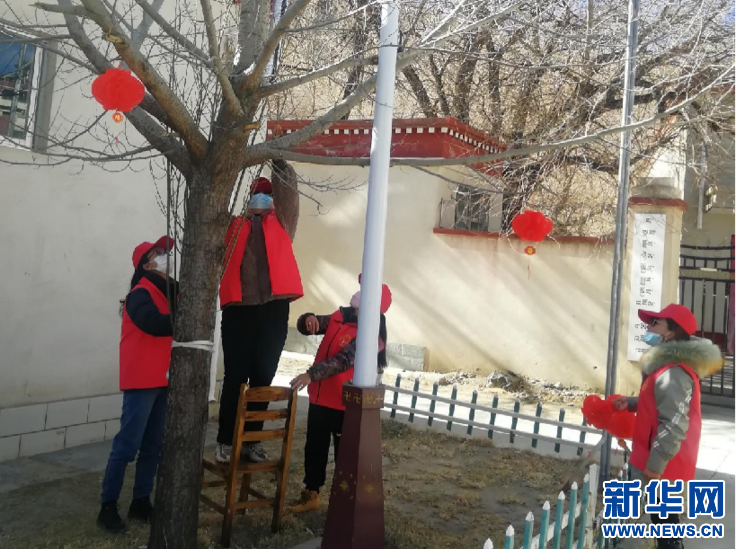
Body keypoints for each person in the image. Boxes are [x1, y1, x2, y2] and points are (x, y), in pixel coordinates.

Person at [613, 304, 723, 549]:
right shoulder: (665, 367)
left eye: (655, 323)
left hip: (665, 462)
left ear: (671, 332)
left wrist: (655, 466)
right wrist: (631, 403)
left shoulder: (674, 372)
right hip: (660, 457)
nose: (649, 326)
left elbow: (673, 424)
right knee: (662, 521)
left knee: (666, 526)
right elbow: (660, 402)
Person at [216, 160, 303, 464]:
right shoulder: (232, 225)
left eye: (267, 195)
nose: (261, 199)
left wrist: (279, 163)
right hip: (238, 309)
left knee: (263, 376)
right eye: (256, 194)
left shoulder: (282, 222)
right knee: (235, 376)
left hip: (273, 309)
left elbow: (288, 194)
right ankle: (226, 440)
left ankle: (251, 442)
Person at [98, 236, 178, 533]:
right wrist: (184, 318)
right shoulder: (140, 294)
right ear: (146, 264)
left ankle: (141, 501)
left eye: (165, 252)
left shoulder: (169, 293)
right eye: (158, 253)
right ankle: (108, 506)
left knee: (152, 446)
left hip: (163, 380)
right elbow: (152, 323)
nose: (165, 256)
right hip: (142, 381)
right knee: (127, 446)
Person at [288, 283, 392, 514]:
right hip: (320, 398)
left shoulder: (372, 335)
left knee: (344, 456)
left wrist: (310, 374)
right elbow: (311, 324)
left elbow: (342, 361)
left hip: (343, 402)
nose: (356, 301)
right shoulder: (339, 317)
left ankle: (345, 502)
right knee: (314, 449)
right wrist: (307, 319)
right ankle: (311, 494)